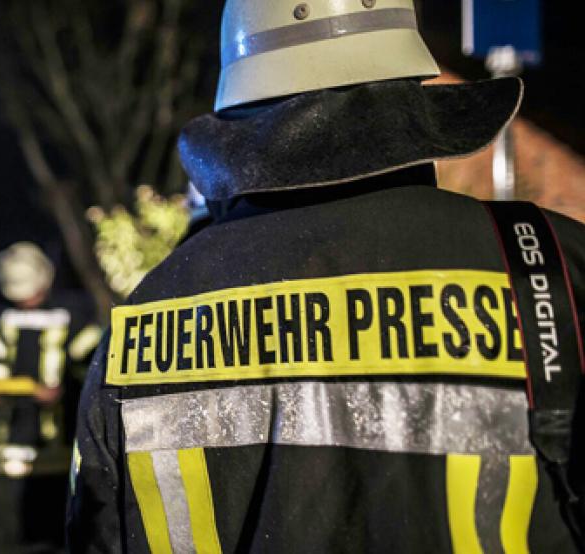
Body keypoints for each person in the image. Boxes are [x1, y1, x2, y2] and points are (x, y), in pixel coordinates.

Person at [67, 0, 585, 552]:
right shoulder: (550, 265)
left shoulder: (147, 315)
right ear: (414, 100)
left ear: (238, 123)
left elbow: (98, 531)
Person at [0, 242, 100, 550]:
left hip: (61, 448)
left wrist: (66, 390)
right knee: (18, 535)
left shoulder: (73, 318)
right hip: (13, 451)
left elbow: (91, 368)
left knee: (55, 533)